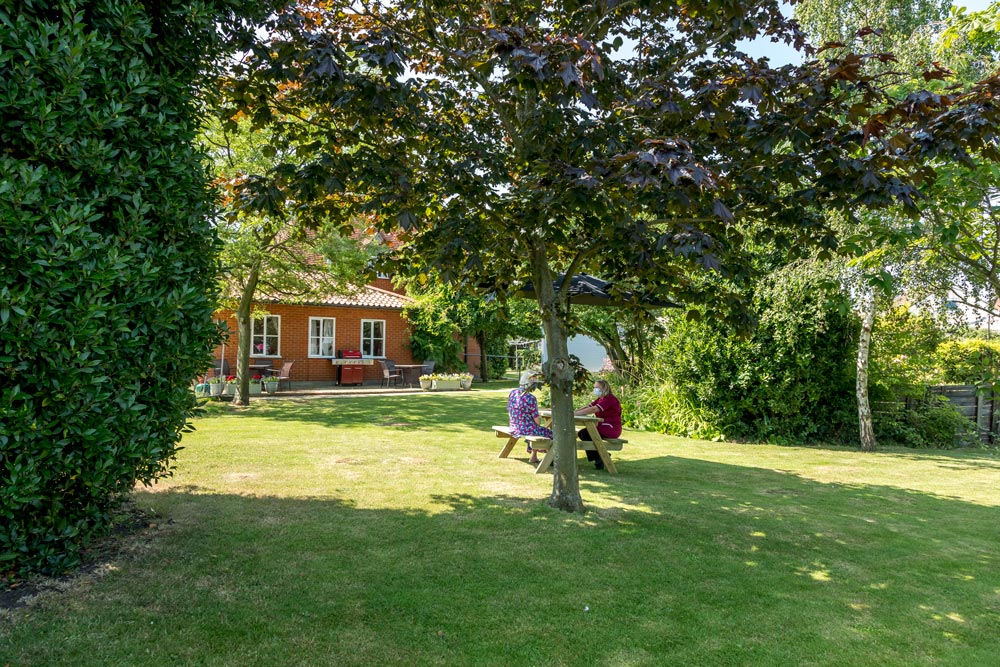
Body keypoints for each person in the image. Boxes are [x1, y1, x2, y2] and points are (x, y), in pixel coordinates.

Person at [574, 379, 622, 470]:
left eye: (597, 388)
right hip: (602, 426)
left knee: (585, 433)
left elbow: (594, 409)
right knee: (583, 433)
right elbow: (589, 407)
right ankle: (600, 456)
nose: (595, 389)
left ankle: (599, 457)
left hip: (610, 428)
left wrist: (575, 414)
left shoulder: (610, 399)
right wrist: (575, 412)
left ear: (604, 388)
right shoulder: (600, 399)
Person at [507, 369, 552, 464]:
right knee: (551, 434)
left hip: (514, 426)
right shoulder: (531, 398)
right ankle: (552, 458)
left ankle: (534, 457)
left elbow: (509, 410)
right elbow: (537, 422)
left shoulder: (513, 393)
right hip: (525, 429)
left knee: (536, 430)